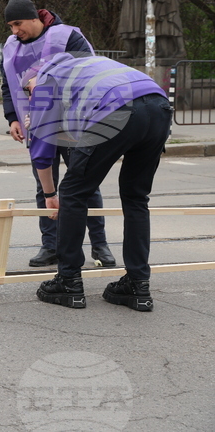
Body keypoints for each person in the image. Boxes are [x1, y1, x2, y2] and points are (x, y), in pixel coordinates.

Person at [24, 53, 171, 311]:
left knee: (72, 191)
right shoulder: (88, 67)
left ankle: (68, 281)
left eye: (28, 90)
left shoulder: (45, 80)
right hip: (159, 105)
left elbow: (42, 151)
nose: (29, 97)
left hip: (117, 108)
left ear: (34, 77)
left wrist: (50, 194)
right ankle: (138, 285)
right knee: (136, 197)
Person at [1, 0, 114, 268]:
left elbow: (89, 72)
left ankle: (100, 245)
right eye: (10, 27)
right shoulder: (11, 46)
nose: (15, 31)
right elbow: (8, 81)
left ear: (34, 17)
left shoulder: (67, 37)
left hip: (71, 122)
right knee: (44, 185)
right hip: (35, 121)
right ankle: (50, 245)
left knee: (86, 184)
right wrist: (12, 118)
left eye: (18, 24)